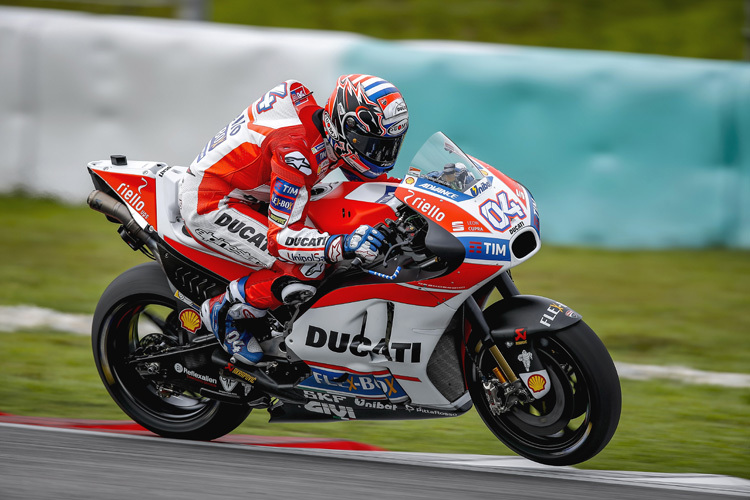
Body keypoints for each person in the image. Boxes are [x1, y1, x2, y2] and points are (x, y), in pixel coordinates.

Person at [179, 75, 409, 365]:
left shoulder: (329, 133)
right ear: (345, 127)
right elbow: (281, 239)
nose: (380, 155)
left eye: (387, 147)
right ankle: (223, 310)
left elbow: (366, 181)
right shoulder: (295, 153)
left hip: (254, 191)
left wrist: (426, 192)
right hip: (213, 200)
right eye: (372, 144)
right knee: (309, 265)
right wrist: (343, 243)